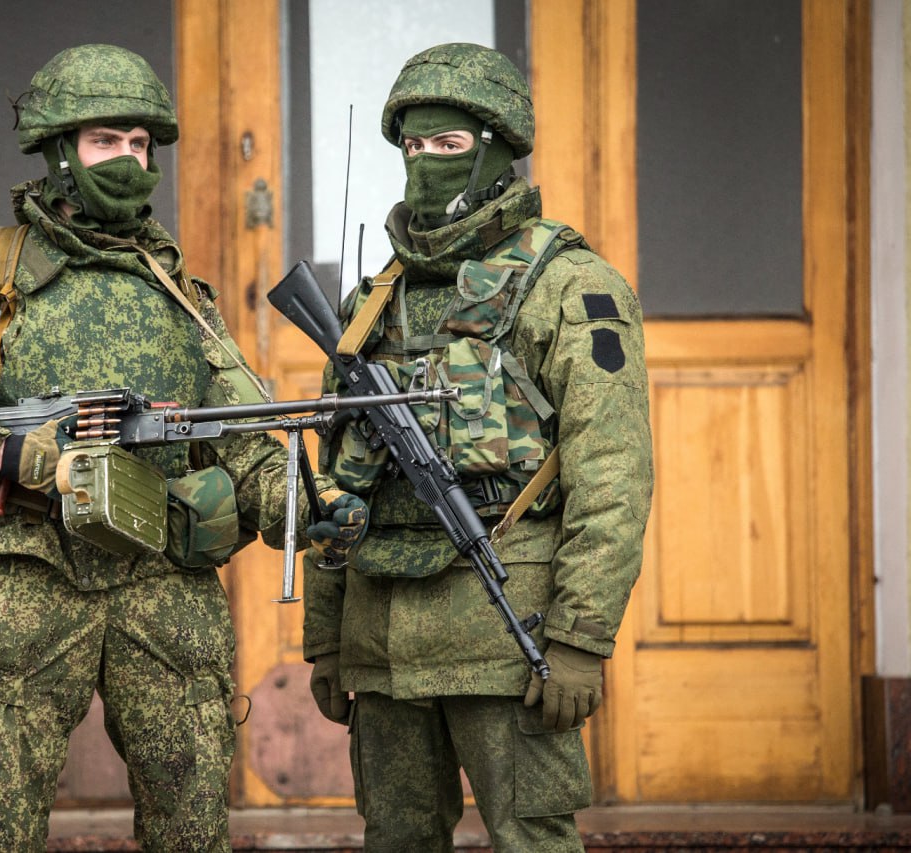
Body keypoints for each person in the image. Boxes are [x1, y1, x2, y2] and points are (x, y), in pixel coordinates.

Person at [0, 44, 365, 853]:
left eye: (139, 142)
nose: (127, 159)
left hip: (164, 580)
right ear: (59, 151)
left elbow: (243, 438)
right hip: (26, 574)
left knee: (192, 819)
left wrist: (304, 500)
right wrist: (20, 456)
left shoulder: (180, 295)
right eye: (104, 141)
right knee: (1, 825)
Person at [303, 43, 653, 852]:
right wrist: (326, 634)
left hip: (506, 636)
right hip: (381, 640)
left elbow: (612, 476)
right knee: (395, 837)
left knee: (531, 839)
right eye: (413, 145)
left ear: (496, 150)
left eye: (449, 144)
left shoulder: (570, 286)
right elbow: (335, 484)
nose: (425, 162)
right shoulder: (372, 301)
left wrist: (580, 637)